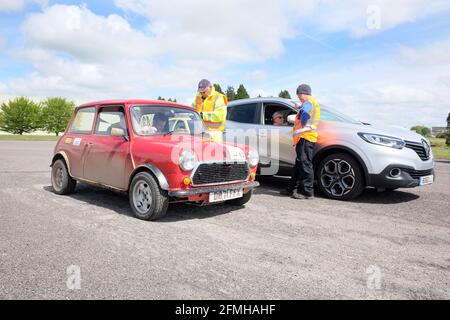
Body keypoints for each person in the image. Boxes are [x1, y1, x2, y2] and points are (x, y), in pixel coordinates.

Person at [280, 84, 320, 199]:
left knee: (305, 164)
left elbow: (306, 114)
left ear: (304, 93)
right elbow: (307, 112)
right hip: (303, 138)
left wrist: (302, 115)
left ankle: (307, 192)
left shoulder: (308, 103)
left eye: (299, 95)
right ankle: (291, 188)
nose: (299, 98)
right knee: (299, 165)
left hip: (305, 137)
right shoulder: (310, 103)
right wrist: (300, 108)